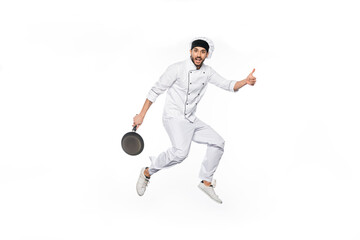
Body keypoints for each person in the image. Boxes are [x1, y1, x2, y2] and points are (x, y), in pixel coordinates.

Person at [133, 37, 256, 203]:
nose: (199, 54)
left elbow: (228, 85)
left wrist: (246, 82)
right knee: (181, 153)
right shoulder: (176, 69)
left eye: (203, 52)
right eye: (196, 50)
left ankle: (206, 181)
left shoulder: (208, 72)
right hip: (173, 117)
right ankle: (147, 172)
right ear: (190, 51)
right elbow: (155, 91)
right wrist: (141, 115)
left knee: (218, 142)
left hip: (191, 119)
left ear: (207, 54)